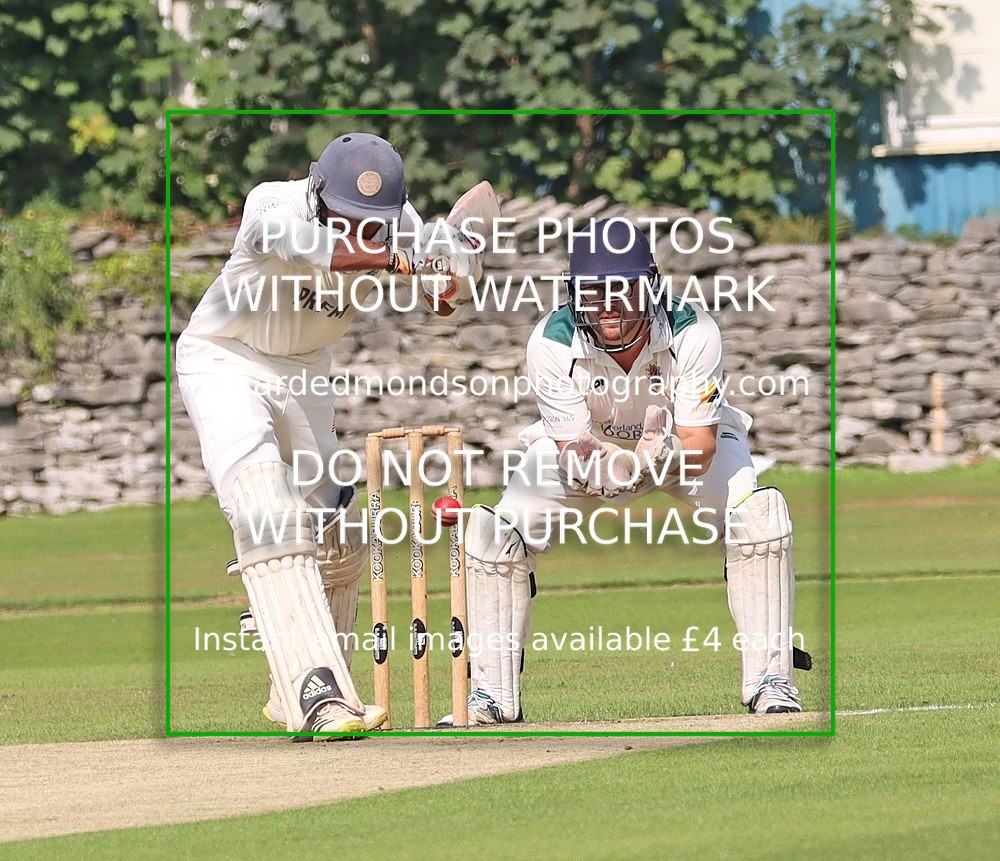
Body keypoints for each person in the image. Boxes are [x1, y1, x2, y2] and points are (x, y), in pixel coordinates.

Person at [439, 217, 805, 725]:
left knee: (760, 517)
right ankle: (491, 695)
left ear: (650, 284)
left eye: (621, 291)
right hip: (590, 452)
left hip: (678, 446)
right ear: (574, 292)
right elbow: (570, 444)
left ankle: (771, 679)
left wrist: (658, 459)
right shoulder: (550, 342)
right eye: (593, 293)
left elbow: (699, 445)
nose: (607, 307)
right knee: (496, 533)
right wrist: (610, 467)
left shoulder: (694, 331)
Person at [177, 132, 477, 736]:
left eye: (376, 226)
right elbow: (308, 247)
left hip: (307, 371)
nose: (364, 235)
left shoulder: (402, 223)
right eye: (349, 221)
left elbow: (444, 295)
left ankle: (308, 670)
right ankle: (314, 694)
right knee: (265, 506)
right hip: (225, 357)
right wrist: (401, 259)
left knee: (342, 532)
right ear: (319, 197)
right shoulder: (275, 205)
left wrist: (447, 282)